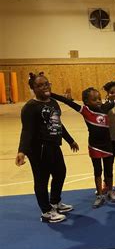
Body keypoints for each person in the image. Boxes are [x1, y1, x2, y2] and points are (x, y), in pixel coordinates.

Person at [16, 73, 79, 223]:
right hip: (38, 149)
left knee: (60, 173)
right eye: (39, 85)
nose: (44, 87)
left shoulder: (53, 103)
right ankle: (46, 211)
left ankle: (55, 202)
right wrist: (22, 151)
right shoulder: (30, 108)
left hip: (53, 146)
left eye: (46, 84)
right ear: (33, 89)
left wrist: (70, 140)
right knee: (41, 179)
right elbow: (27, 131)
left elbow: (57, 123)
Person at [50, 87, 115, 207]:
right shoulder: (85, 110)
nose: (98, 101)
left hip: (107, 145)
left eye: (99, 98)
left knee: (109, 170)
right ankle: (100, 195)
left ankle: (111, 191)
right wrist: (51, 94)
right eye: (94, 99)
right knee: (97, 171)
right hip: (95, 146)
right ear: (86, 101)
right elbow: (68, 102)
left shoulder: (105, 108)